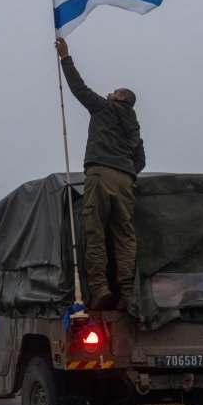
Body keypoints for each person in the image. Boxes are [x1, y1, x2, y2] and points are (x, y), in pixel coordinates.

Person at [54, 37, 146, 311]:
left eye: (114, 91)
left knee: (95, 233)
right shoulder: (135, 127)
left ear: (122, 98)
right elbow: (140, 158)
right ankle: (128, 292)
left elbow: (79, 88)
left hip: (100, 174)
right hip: (125, 181)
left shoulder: (104, 108)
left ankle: (100, 289)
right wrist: (128, 173)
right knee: (125, 237)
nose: (109, 93)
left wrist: (65, 57)